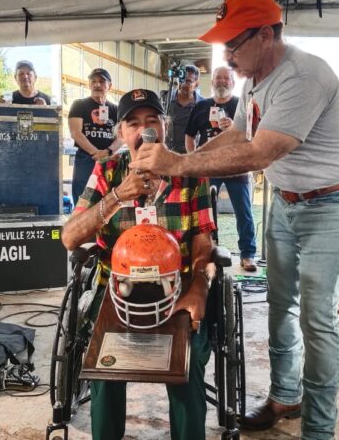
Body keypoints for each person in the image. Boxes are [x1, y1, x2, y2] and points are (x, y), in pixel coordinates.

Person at [130, 0, 339, 440]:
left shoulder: (304, 76)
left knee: (316, 317)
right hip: (286, 199)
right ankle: (285, 396)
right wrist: (182, 164)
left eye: (233, 45)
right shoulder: (253, 76)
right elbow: (240, 132)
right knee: (280, 307)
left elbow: (259, 153)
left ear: (265, 35)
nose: (226, 57)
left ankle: (318, 429)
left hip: (331, 203)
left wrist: (178, 165)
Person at [61, 88, 215, 440]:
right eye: (133, 123)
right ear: (121, 133)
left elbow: (204, 240)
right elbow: (70, 238)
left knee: (187, 369)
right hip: (115, 293)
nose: (143, 130)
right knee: (104, 369)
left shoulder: (191, 174)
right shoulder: (107, 171)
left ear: (164, 126)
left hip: (178, 291)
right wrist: (118, 195)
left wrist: (199, 291)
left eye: (151, 121)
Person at [185, 66, 257, 272]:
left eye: (226, 78)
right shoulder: (201, 106)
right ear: (212, 82)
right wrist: (194, 159)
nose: (222, 82)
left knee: (244, 212)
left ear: (233, 83)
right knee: (202, 211)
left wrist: (235, 127)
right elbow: (189, 136)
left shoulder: (243, 105)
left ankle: (248, 254)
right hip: (209, 167)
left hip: (237, 167)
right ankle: (205, 250)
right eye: (218, 78)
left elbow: (254, 135)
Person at [68, 68, 122, 204]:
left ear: (110, 85)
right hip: (86, 158)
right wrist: (96, 153)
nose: (97, 85)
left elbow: (122, 136)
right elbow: (75, 132)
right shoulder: (79, 105)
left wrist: (108, 151)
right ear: (89, 84)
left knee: (109, 197)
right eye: (93, 81)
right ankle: (81, 224)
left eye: (102, 81)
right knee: (83, 197)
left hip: (109, 158)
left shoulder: (116, 110)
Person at [165, 65, 202, 153]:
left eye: (189, 81)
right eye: (182, 80)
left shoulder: (202, 105)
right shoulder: (166, 99)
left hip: (191, 155)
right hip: (168, 153)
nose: (184, 84)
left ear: (196, 84)